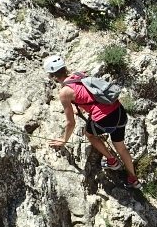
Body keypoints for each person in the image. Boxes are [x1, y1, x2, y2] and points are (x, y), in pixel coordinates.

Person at [43, 54, 141, 188]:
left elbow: (70, 123)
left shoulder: (65, 92)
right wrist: (83, 108)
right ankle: (133, 179)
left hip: (105, 118)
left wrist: (63, 140)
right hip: (118, 111)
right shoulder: (78, 75)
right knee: (121, 148)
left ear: (52, 75)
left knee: (90, 135)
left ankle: (112, 161)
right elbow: (90, 93)